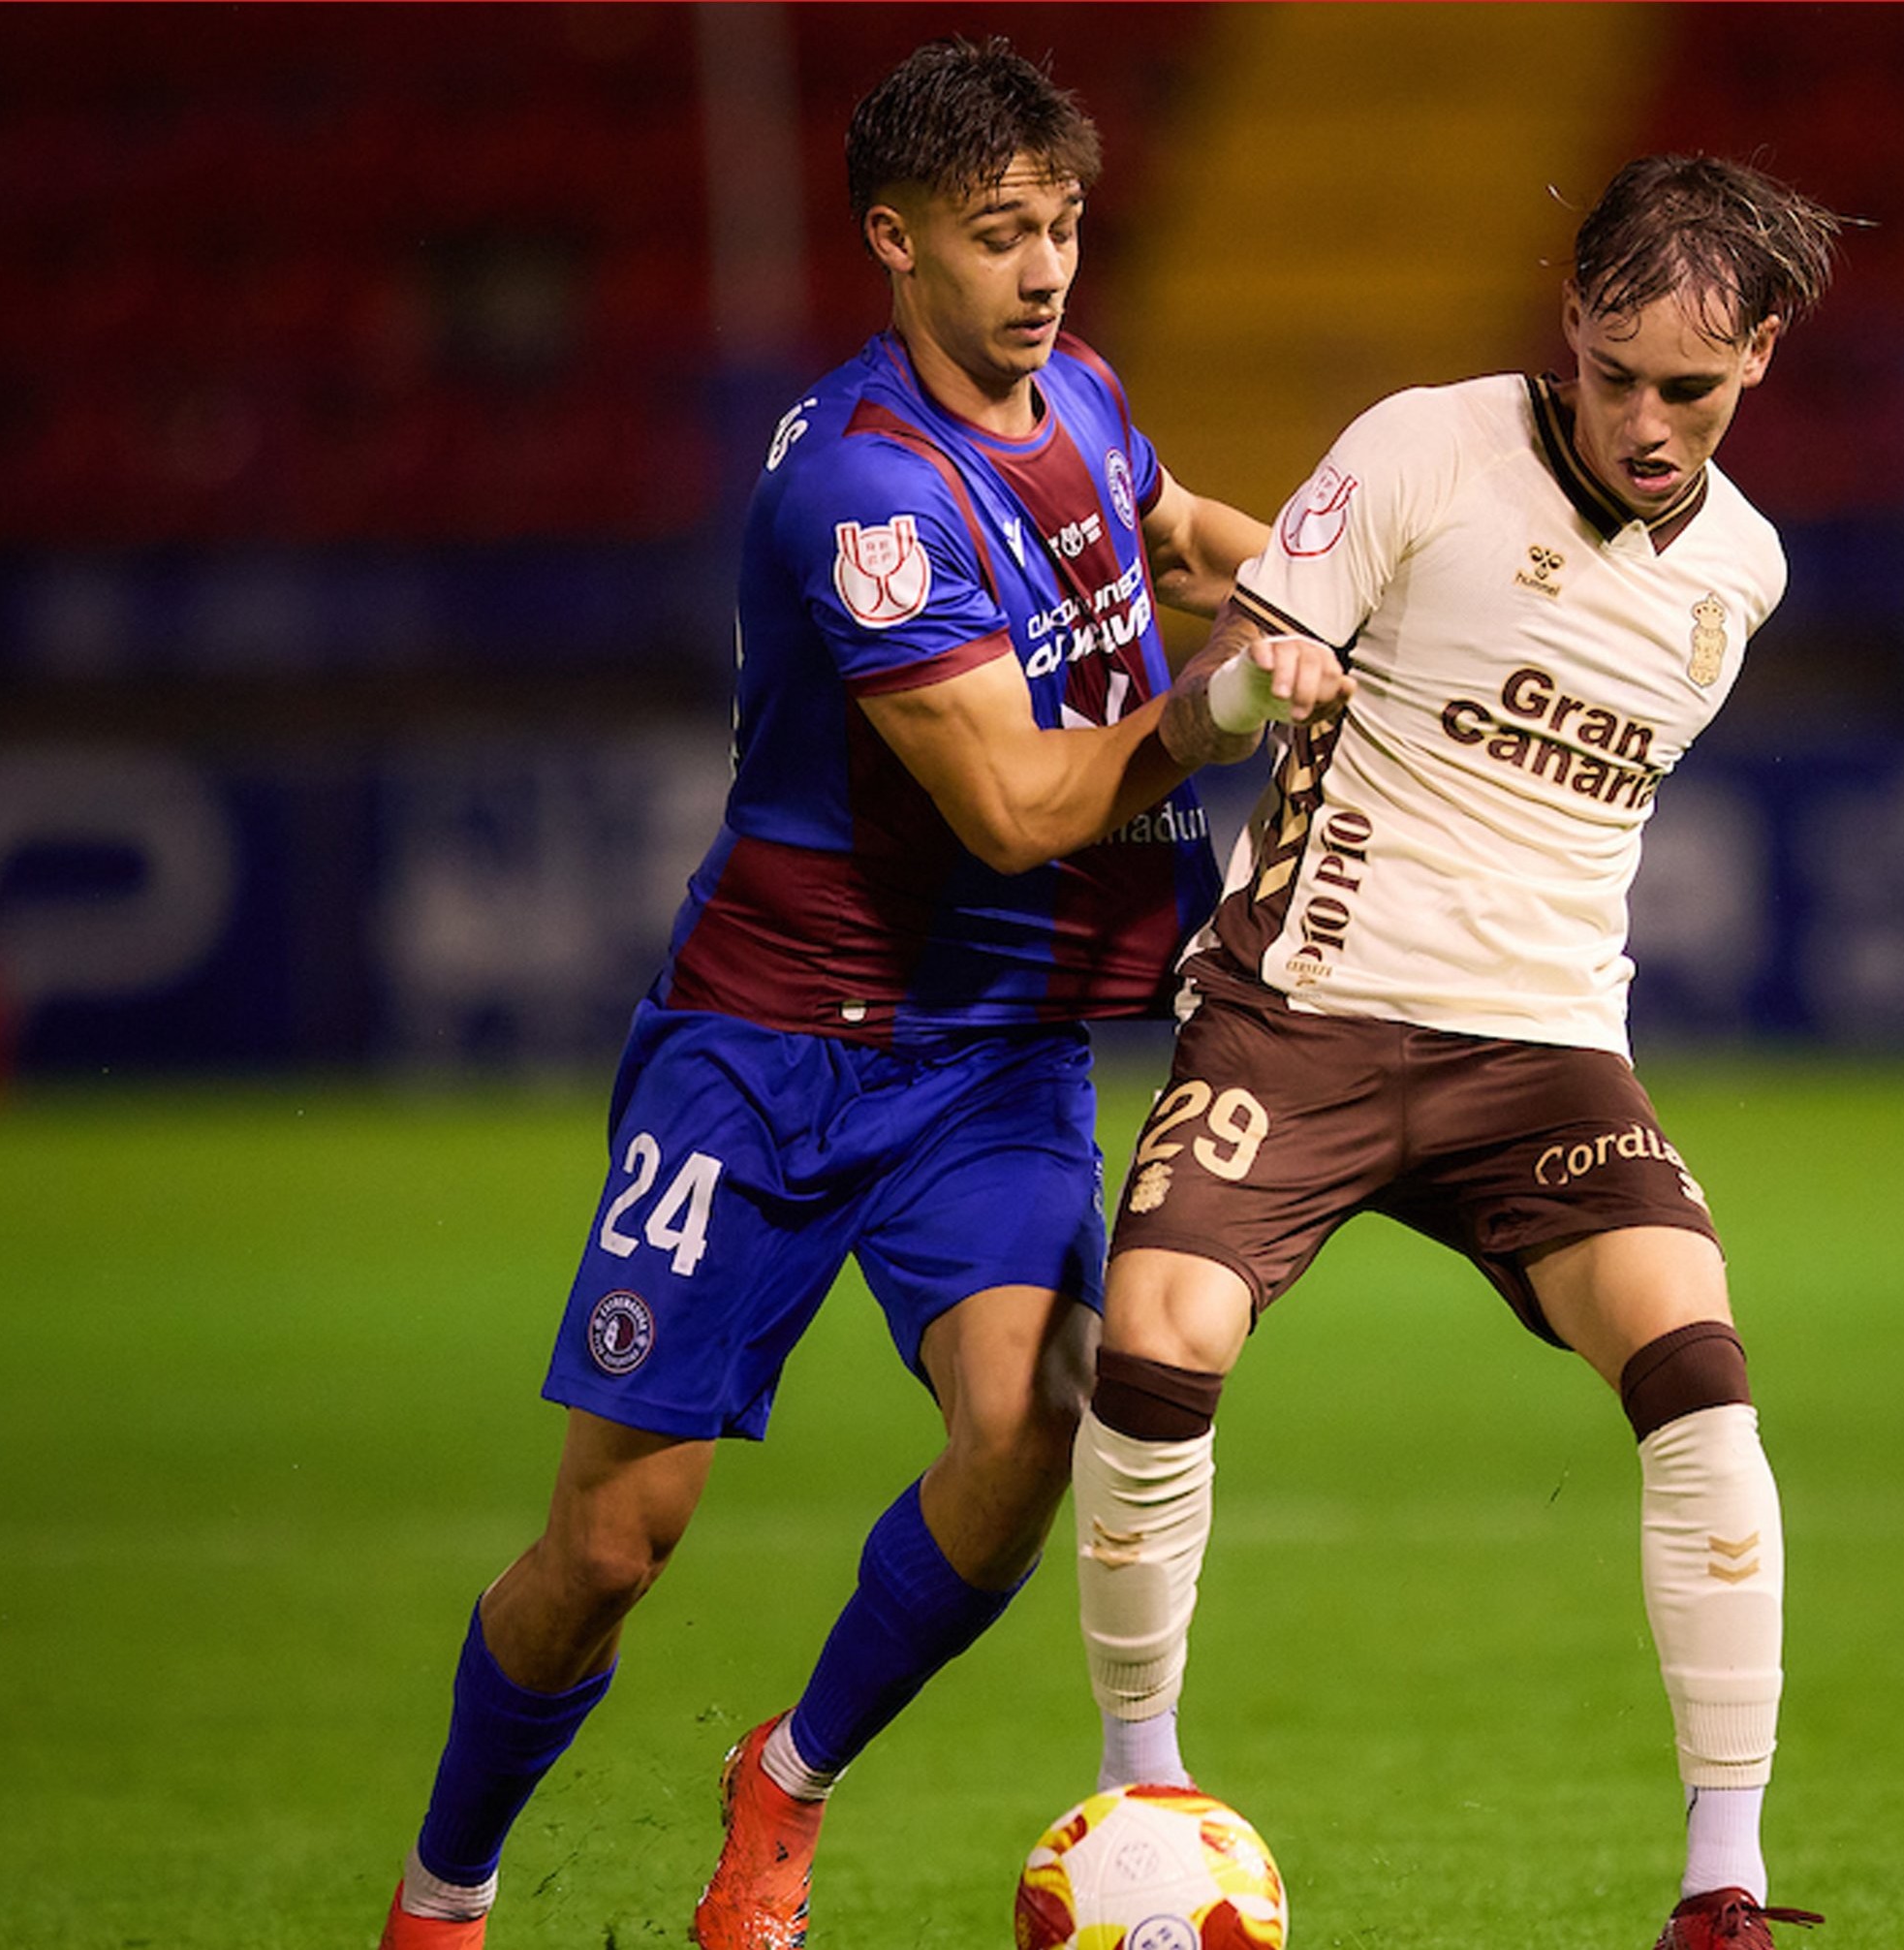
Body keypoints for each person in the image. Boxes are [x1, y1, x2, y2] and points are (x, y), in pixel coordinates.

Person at [374, 38, 1347, 1950]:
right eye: (1001, 236)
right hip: (760, 1059)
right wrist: (1226, 701)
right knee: (609, 1544)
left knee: (1030, 1422)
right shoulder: (862, 500)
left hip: (987, 1065)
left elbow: (1177, 526)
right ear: (895, 241)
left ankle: (787, 1786)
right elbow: (1016, 807)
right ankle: (445, 1889)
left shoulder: (1075, 392)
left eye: (1062, 225)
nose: (1045, 268)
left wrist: (1334, 585)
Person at [1068, 154, 1848, 1950]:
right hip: (1308, 1010)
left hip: (1546, 1053)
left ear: (1762, 362)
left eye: (1693, 390)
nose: (1647, 423)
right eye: (1619, 373)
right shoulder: (1422, 445)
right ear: (1568, 324)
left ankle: (1722, 1882)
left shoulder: (1741, 573)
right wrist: (1259, 685)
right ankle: (1142, 1789)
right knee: (1160, 1341)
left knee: (1700, 1373)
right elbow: (1233, 677)